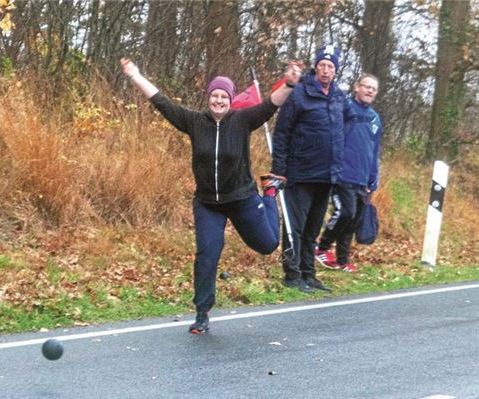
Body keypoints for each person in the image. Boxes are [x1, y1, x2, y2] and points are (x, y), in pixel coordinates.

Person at [120, 57, 301, 334]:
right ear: (208, 98)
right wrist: (135, 75)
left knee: (267, 245)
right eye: (214, 96)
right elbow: (161, 102)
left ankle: (269, 193)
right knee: (207, 255)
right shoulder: (194, 122)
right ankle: (202, 313)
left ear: (230, 100)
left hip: (242, 198)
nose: (218, 101)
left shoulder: (242, 120)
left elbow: (270, 104)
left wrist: (289, 83)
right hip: (208, 204)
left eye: (223, 96)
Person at [270, 44, 345, 294]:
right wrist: (279, 170)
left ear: (336, 70)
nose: (326, 70)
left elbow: (340, 134)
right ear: (316, 67)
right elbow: (281, 133)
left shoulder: (338, 97)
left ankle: (308, 273)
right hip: (299, 172)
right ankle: (292, 274)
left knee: (313, 228)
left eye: (331, 66)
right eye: (322, 65)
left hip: (326, 175)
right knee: (296, 225)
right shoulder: (300, 93)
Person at [315, 73, 383, 273]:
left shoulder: (375, 118)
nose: (369, 90)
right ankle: (321, 247)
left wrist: (373, 178)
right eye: (366, 86)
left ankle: (342, 260)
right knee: (346, 212)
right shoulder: (344, 108)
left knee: (353, 221)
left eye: (373, 88)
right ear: (357, 87)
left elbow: (374, 150)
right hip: (343, 175)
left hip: (363, 179)